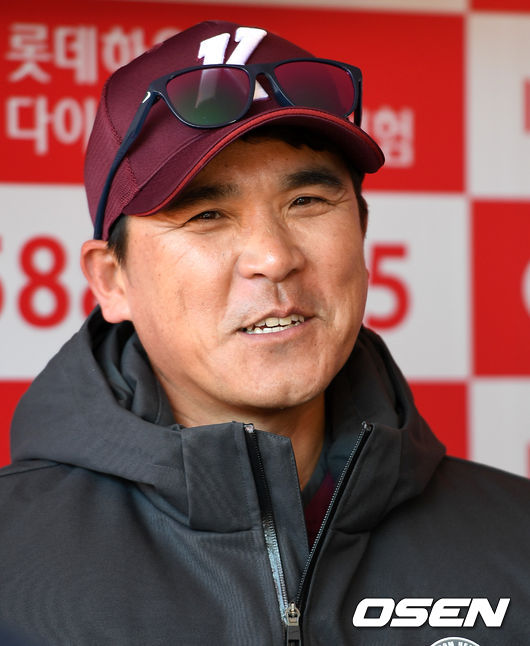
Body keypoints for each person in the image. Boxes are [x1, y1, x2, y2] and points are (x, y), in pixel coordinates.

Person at [1, 20, 529, 646]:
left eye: (307, 202)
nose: (274, 258)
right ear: (112, 280)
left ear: (362, 233)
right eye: (207, 214)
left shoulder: (515, 536)